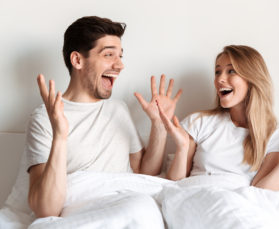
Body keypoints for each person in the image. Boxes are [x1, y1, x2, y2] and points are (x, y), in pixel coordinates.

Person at [26, 16, 182, 218]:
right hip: (86, 208)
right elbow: (46, 210)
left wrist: (159, 124)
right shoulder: (45, 118)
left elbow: (145, 173)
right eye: (109, 55)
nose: (120, 65)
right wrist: (60, 135)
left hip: (129, 203)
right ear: (77, 60)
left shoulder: (118, 109)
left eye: (120, 56)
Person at [157, 45, 279, 191]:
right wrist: (182, 147)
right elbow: (174, 186)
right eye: (217, 72)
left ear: (252, 79)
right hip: (195, 197)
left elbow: (264, 193)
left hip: (235, 205)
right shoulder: (200, 121)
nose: (220, 79)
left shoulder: (277, 135)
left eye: (231, 71)